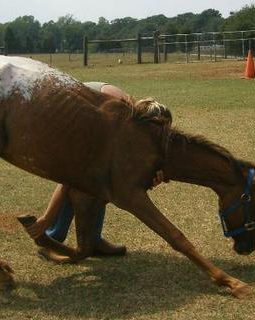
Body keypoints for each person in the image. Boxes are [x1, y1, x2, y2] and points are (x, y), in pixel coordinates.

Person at [26, 82, 172, 262]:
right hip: (59, 118)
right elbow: (69, 178)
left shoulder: (133, 123)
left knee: (101, 177)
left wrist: (149, 179)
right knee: (83, 177)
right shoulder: (109, 120)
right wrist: (46, 218)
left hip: (86, 115)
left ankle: (93, 241)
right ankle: (50, 240)